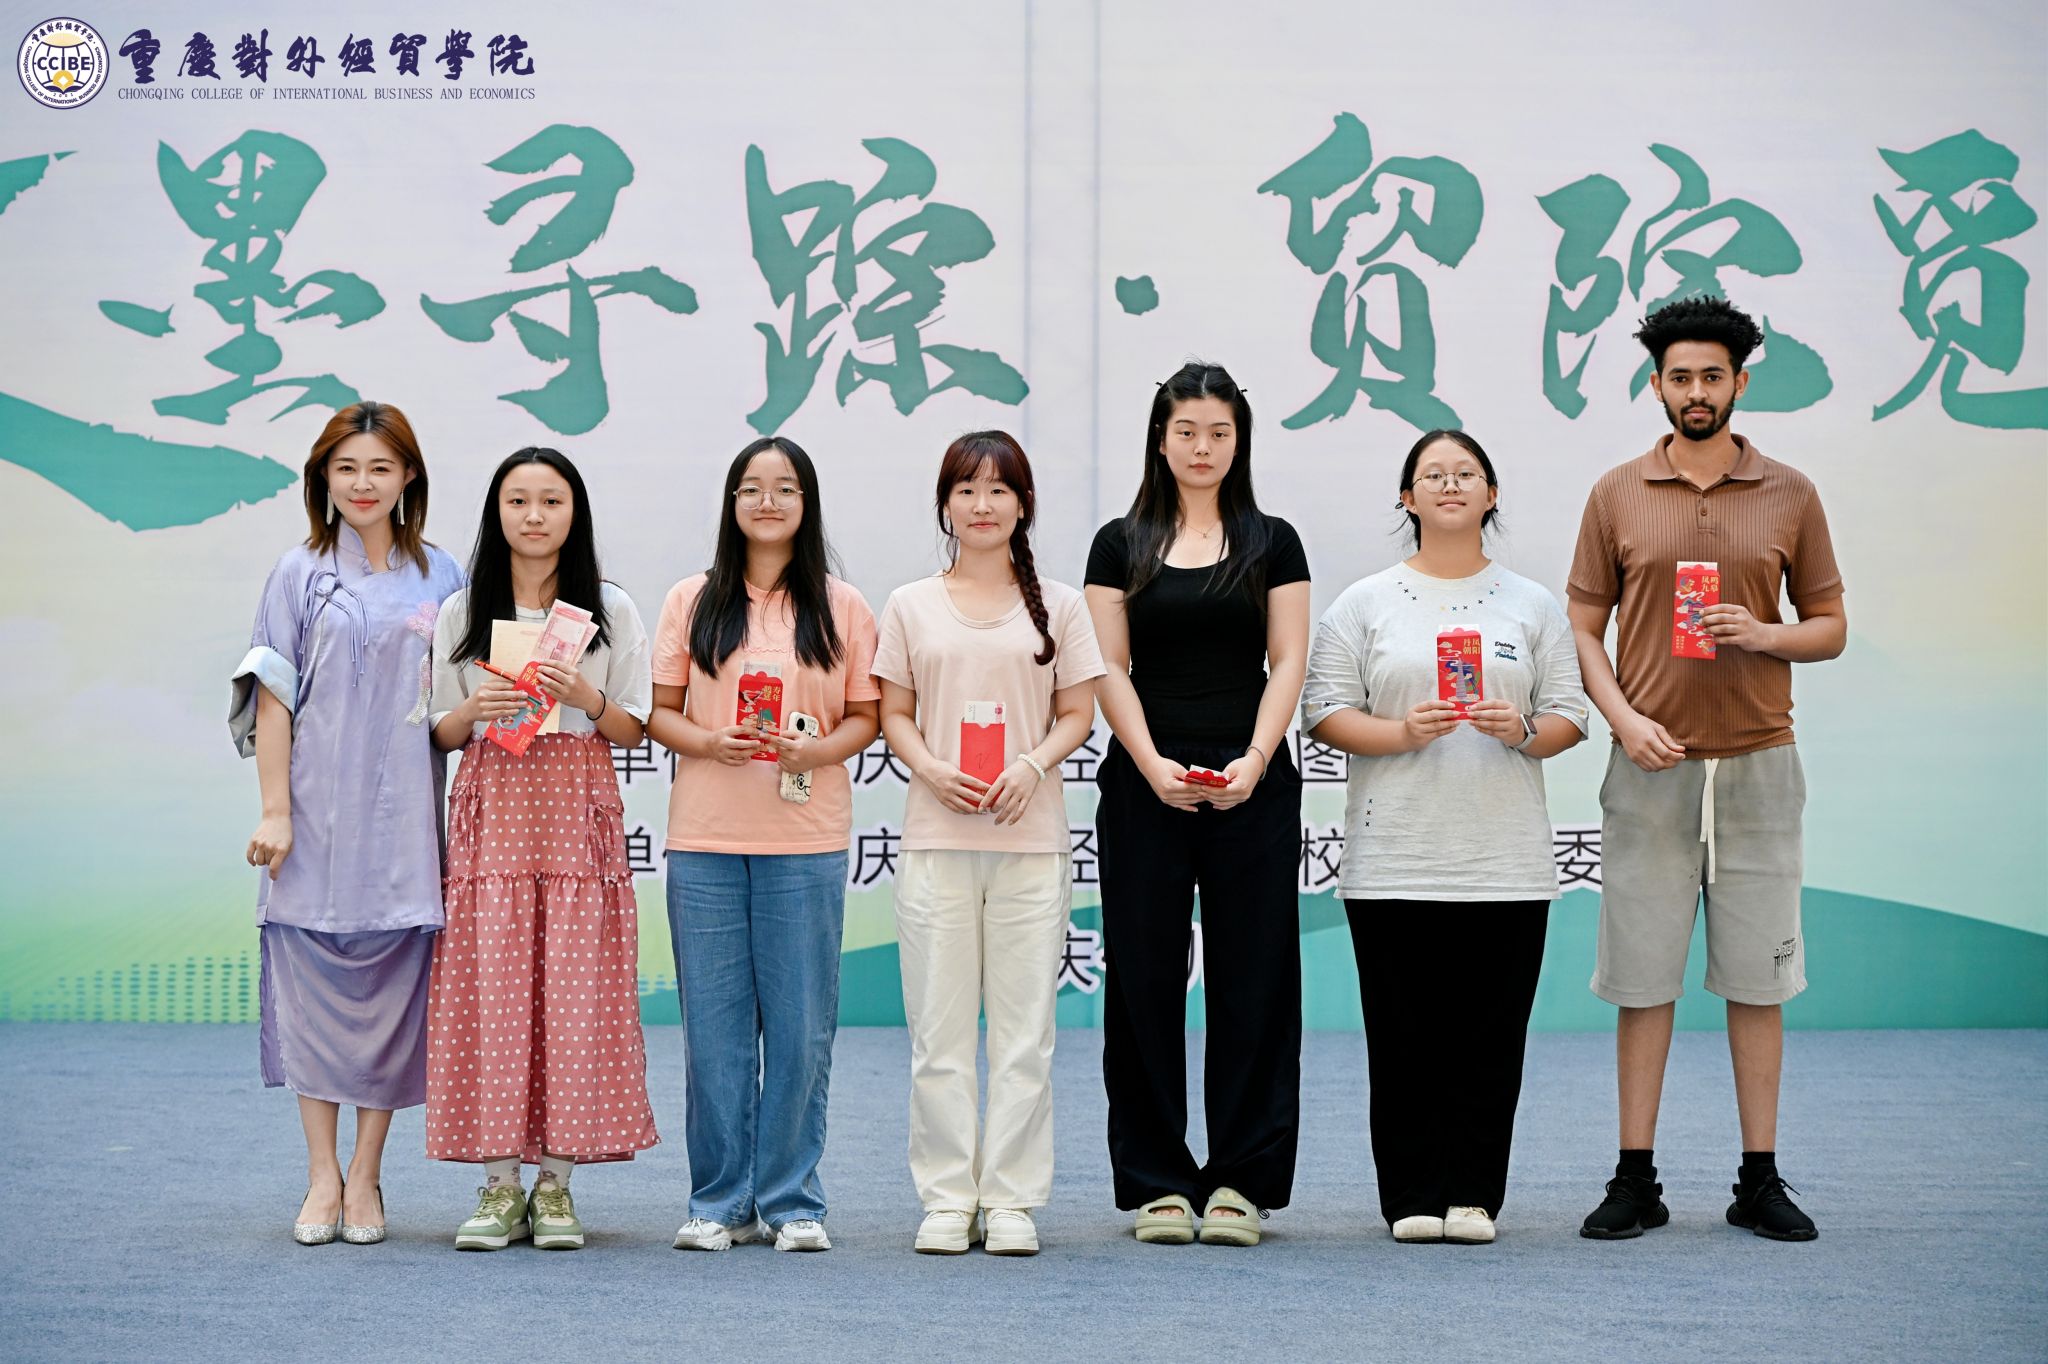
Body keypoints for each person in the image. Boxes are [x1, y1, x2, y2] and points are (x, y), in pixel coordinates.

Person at [1568, 296, 1845, 1243]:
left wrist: (1763, 633)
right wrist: (1623, 720)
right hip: (1649, 766)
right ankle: (1633, 1178)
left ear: (1739, 383)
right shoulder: (1616, 493)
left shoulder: (1790, 493)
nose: (1696, 391)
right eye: (1680, 376)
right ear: (1657, 385)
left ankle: (1758, 1179)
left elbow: (1830, 626)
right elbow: (1583, 628)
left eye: (1712, 377)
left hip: (1761, 761)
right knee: (1642, 980)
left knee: (1759, 982)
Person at [1301, 430, 1587, 1245]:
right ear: (1408, 497)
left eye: (1467, 474)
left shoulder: (1530, 604)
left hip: (1505, 862)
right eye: (1433, 475)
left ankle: (1474, 1196)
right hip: (1395, 856)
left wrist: (1520, 729)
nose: (1450, 485)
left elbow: (1570, 715)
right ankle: (1411, 1196)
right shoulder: (1367, 602)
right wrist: (1400, 732)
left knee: (1491, 1037)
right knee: (1402, 1037)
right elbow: (1323, 710)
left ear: (1492, 495)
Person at [1083, 362, 1310, 1247]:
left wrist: (1255, 758)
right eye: (1187, 432)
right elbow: (1109, 666)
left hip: (1252, 778)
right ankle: (1157, 1182)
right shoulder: (1119, 543)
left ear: (1239, 441)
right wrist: (1149, 764)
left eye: (1219, 432)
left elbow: (1287, 662)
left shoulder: (1273, 542)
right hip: (1147, 780)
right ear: (1161, 439)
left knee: (1256, 979)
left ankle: (1242, 1182)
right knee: (1143, 978)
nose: (1203, 447)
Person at [233, 400, 465, 1246]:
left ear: (409, 477)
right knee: (313, 998)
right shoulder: (298, 573)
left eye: (379, 468)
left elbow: (458, 702)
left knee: (391, 1000)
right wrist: (275, 811)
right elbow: (274, 698)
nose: (362, 484)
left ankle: (366, 1174)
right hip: (313, 821)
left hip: (405, 823)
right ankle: (320, 1175)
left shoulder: (443, 576)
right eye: (346, 468)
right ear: (322, 479)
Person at [872, 431, 1106, 1257]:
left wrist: (1032, 766)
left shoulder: (1061, 605)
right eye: (966, 489)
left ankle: (1010, 1199)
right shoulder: (911, 604)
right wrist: (931, 767)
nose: (982, 504)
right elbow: (893, 712)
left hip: (1028, 841)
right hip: (937, 837)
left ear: (1023, 504)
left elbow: (1078, 713)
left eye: (999, 489)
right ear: (945, 504)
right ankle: (946, 1198)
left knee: (1022, 1034)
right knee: (937, 1032)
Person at [650, 436, 881, 1254]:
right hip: (705, 841)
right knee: (713, 1034)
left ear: (806, 503)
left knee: (800, 1029)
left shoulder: (841, 605)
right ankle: (719, 1201)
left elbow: (866, 717)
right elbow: (661, 713)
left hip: (805, 842)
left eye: (785, 488)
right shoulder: (693, 599)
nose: (768, 502)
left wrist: (815, 752)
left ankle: (792, 1201)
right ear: (732, 503)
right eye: (751, 488)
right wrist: (710, 743)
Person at [425, 447, 659, 1251]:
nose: (533, 516)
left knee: (575, 993)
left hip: (574, 811)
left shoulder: (610, 608)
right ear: (497, 512)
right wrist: (475, 709)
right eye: (518, 500)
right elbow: (440, 728)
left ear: (574, 513)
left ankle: (556, 1186)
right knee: (492, 988)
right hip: (494, 811)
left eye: (551, 501)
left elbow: (633, 726)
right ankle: (499, 1186)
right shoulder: (462, 611)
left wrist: (585, 695)